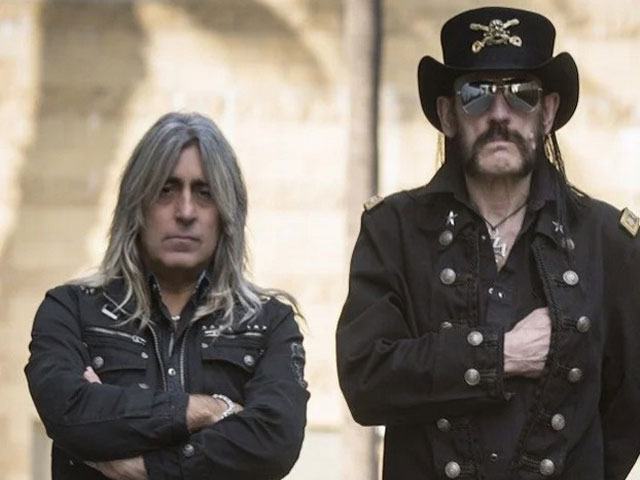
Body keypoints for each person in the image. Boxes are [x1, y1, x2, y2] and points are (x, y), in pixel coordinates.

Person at [336, 7, 640, 480]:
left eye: (522, 94)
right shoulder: (393, 230)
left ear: (548, 113)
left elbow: (628, 412)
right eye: (476, 94)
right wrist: (502, 355)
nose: (500, 114)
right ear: (448, 115)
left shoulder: (607, 241)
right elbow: (366, 380)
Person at [25, 111, 309, 480]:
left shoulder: (268, 323)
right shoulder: (71, 311)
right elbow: (71, 413)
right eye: (166, 190)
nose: (186, 211)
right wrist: (210, 410)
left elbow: (275, 441)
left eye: (204, 193)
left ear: (226, 212)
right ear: (136, 204)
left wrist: (146, 465)